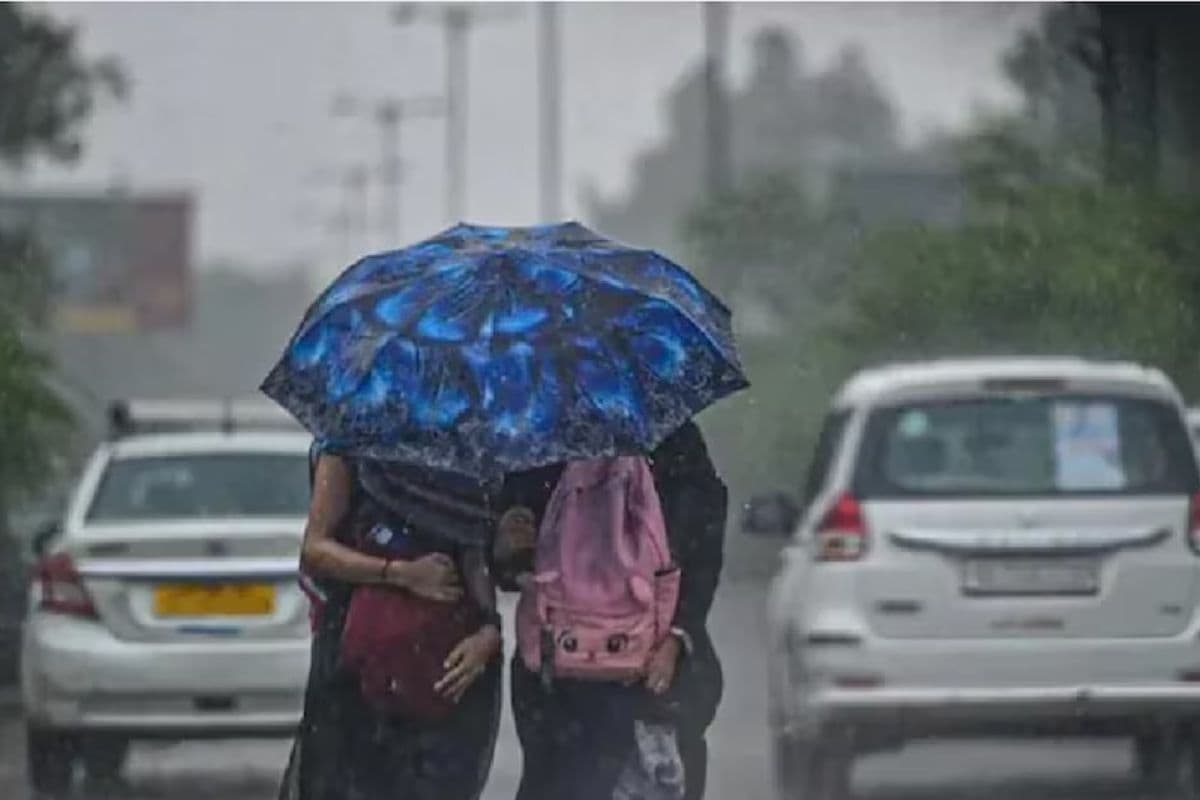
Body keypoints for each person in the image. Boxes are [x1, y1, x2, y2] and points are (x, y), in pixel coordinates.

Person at [496, 420, 728, 800]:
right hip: (570, 679)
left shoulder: (544, 437)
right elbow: (512, 558)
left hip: (622, 678)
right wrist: (508, 542)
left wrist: (676, 634)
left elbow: (699, 544)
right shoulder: (542, 445)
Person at [279, 444, 504, 800]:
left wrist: (490, 631)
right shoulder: (349, 442)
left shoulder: (463, 448)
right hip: (361, 662)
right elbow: (316, 549)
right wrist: (401, 574)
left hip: (448, 661)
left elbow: (474, 552)